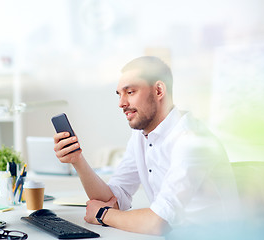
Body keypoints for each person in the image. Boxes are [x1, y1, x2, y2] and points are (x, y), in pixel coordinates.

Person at [53, 56, 240, 238]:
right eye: (119, 94)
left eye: (130, 92)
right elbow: (113, 199)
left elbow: (158, 222)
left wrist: (103, 215)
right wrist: (77, 160)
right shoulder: (140, 137)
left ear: (159, 91)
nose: (121, 103)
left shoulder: (192, 140)